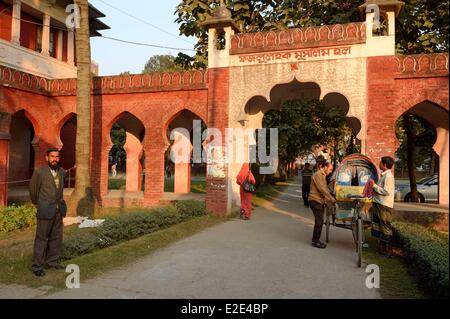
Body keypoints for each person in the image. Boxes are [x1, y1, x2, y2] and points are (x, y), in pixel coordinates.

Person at [29, 148, 68, 277]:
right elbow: (33, 192)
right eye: (52, 156)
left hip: (58, 210)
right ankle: (37, 266)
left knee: (56, 237)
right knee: (41, 238)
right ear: (47, 158)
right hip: (45, 210)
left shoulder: (62, 172)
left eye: (57, 156)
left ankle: (52, 261)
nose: (54, 159)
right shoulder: (39, 172)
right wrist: (39, 204)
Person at [368, 156, 396, 257]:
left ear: (384, 165)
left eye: (380, 162)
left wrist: (374, 185)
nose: (379, 164)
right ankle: (382, 249)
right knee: (378, 226)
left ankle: (389, 251)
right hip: (378, 203)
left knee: (385, 227)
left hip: (384, 205)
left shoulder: (388, 176)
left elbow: (386, 192)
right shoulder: (384, 175)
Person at [308, 161, 336, 249]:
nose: (331, 171)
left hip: (320, 201)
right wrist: (331, 199)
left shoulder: (323, 175)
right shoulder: (318, 175)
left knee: (319, 221)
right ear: (324, 167)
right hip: (315, 200)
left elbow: (326, 189)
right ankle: (316, 241)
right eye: (330, 169)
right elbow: (322, 189)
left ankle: (315, 240)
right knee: (319, 221)